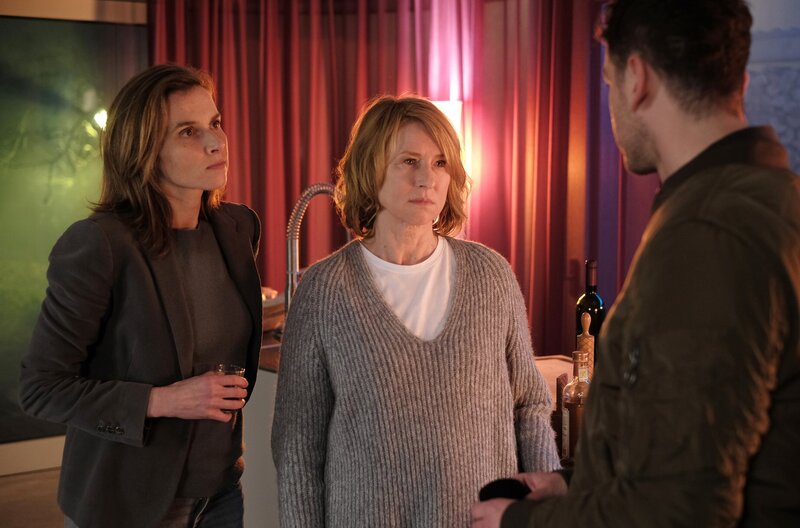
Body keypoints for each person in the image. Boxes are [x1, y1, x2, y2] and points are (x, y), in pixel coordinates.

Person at [470, 0, 800, 526]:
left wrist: (517, 522)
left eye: (608, 82)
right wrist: (575, 483)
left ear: (637, 79)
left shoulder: (706, 235)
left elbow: (677, 511)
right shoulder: (770, 199)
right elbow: (698, 447)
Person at [271, 95, 560, 527]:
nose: (427, 178)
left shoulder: (491, 275)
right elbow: (297, 447)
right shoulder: (324, 291)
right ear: (371, 169)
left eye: (440, 163)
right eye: (409, 161)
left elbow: (530, 405)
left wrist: (544, 512)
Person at [18, 64, 263, 528]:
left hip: (222, 494)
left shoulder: (238, 228)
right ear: (144, 152)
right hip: (129, 502)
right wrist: (163, 401)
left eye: (214, 123)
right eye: (188, 132)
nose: (216, 142)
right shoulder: (100, 245)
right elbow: (41, 389)